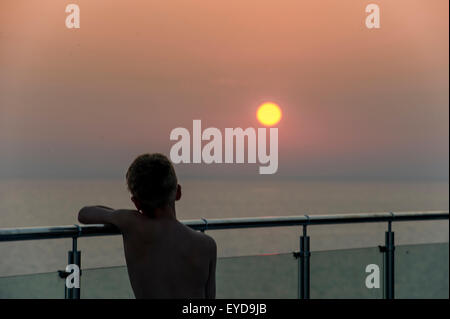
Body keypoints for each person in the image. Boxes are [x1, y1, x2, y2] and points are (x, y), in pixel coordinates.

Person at [78, 153, 217, 299]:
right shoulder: (206, 244)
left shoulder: (132, 224)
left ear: (136, 202)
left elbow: (84, 213)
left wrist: (123, 215)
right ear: (178, 192)